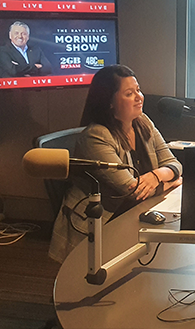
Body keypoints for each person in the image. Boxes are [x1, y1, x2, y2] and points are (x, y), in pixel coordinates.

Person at [48, 65, 183, 263]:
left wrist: (156, 176)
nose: (139, 97)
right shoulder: (96, 136)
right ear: (109, 102)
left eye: (138, 90)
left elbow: (174, 163)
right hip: (100, 223)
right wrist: (171, 181)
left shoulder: (143, 122)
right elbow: (131, 190)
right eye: (129, 93)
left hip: (133, 213)